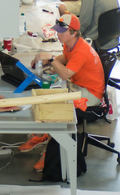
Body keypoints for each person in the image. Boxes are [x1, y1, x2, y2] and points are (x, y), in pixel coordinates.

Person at [23, 13, 106, 172]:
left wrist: (52, 60)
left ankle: (51, 149)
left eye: (62, 32)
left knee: (57, 104)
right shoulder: (71, 44)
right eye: (58, 31)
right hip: (80, 86)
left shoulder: (81, 50)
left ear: (74, 32)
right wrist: (48, 59)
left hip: (90, 94)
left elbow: (66, 74)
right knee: (49, 92)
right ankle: (46, 134)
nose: (58, 34)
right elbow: (66, 57)